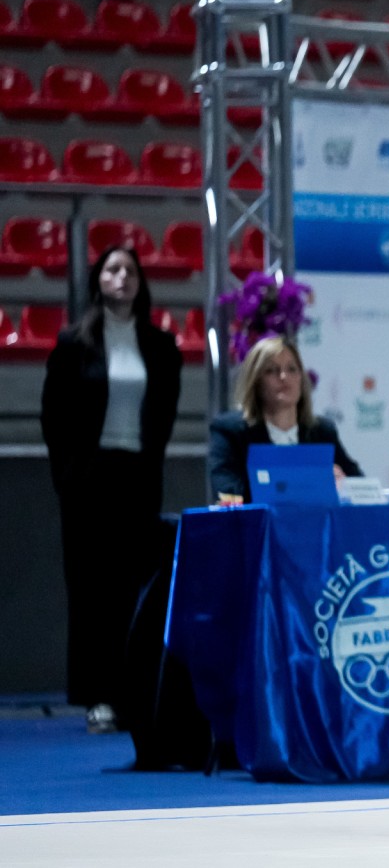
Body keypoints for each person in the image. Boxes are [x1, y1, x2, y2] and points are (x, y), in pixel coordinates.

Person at [41, 246, 182, 734]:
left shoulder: (160, 345)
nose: (122, 277)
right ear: (98, 281)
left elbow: (164, 413)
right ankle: (96, 696)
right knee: (90, 591)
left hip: (137, 476)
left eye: (130, 271)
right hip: (88, 479)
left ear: (141, 282)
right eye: (112, 269)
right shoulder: (73, 343)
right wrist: (66, 478)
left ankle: (132, 695)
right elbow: (53, 415)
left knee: (132, 589)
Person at [208, 335, 361, 504]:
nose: (283, 376)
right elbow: (227, 492)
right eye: (271, 370)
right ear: (255, 381)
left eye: (292, 369)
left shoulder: (322, 431)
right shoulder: (231, 431)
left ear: (301, 378)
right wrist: (308, 482)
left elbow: (361, 487)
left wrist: (344, 484)